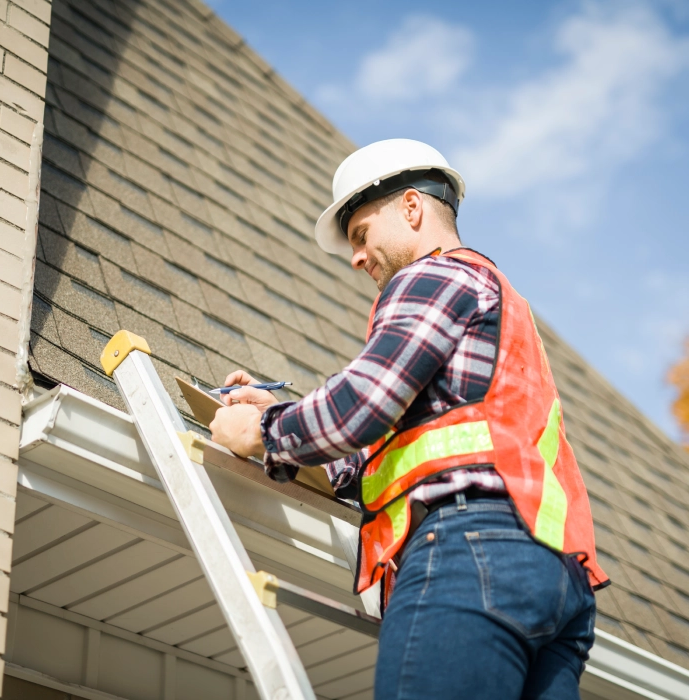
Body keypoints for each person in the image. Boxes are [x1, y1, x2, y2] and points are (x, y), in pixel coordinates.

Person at [209, 138, 608, 699]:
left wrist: (261, 433)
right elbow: (393, 446)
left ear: (412, 209)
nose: (356, 257)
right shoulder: (498, 301)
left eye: (360, 235)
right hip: (557, 580)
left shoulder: (432, 276)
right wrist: (284, 411)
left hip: (472, 549)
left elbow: (363, 404)